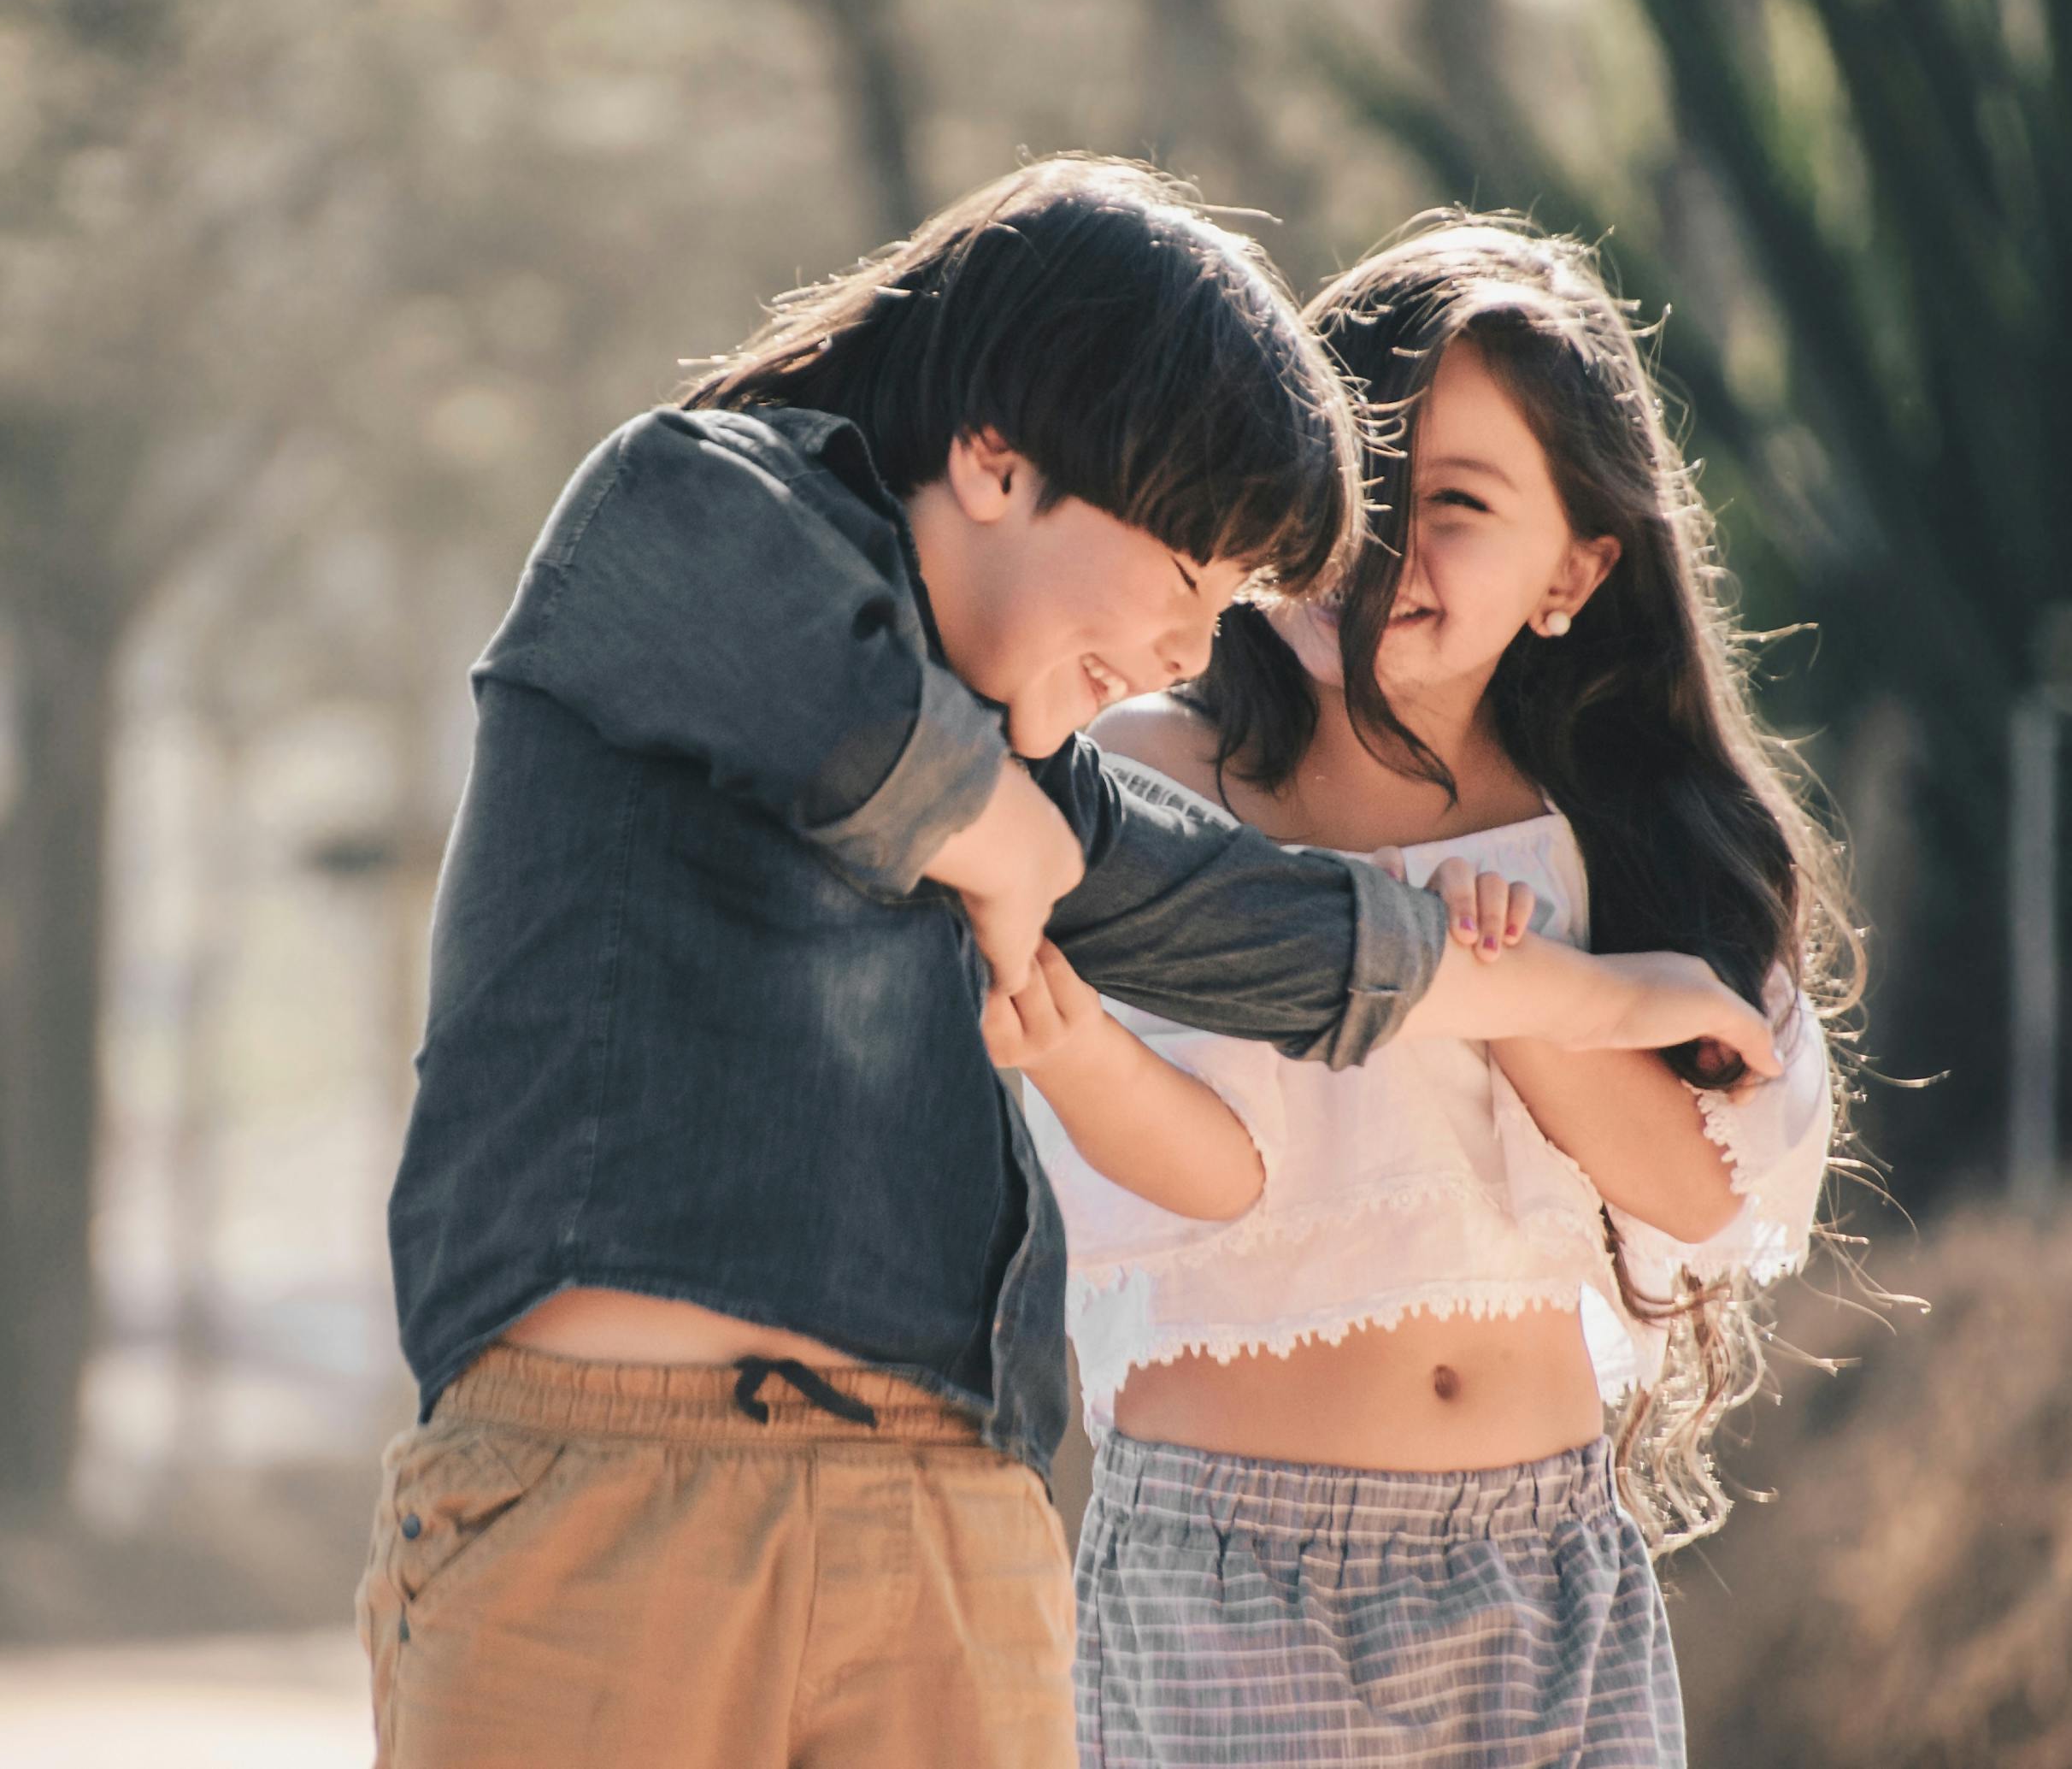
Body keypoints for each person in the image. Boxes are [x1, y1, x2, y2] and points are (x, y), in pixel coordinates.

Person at [356, 164, 1782, 1769]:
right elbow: (815, 689)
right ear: (995, 458)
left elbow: (1287, 930)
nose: (1192, 650)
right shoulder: (677, 505)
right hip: (609, 1502)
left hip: (955, 1527)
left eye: (1232, 602)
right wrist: (991, 824)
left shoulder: (1061, 786)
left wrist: (1601, 997)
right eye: (1189, 578)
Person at [1011, 212, 1854, 1768]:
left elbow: (1702, 1196)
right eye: (1359, 481)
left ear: (1576, 570)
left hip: (1548, 1570)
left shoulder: (1626, 838)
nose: (1384, 545)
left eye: (1454, 504)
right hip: (1231, 1578)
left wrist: (1519, 985)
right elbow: (1167, 1177)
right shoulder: (1137, 782)